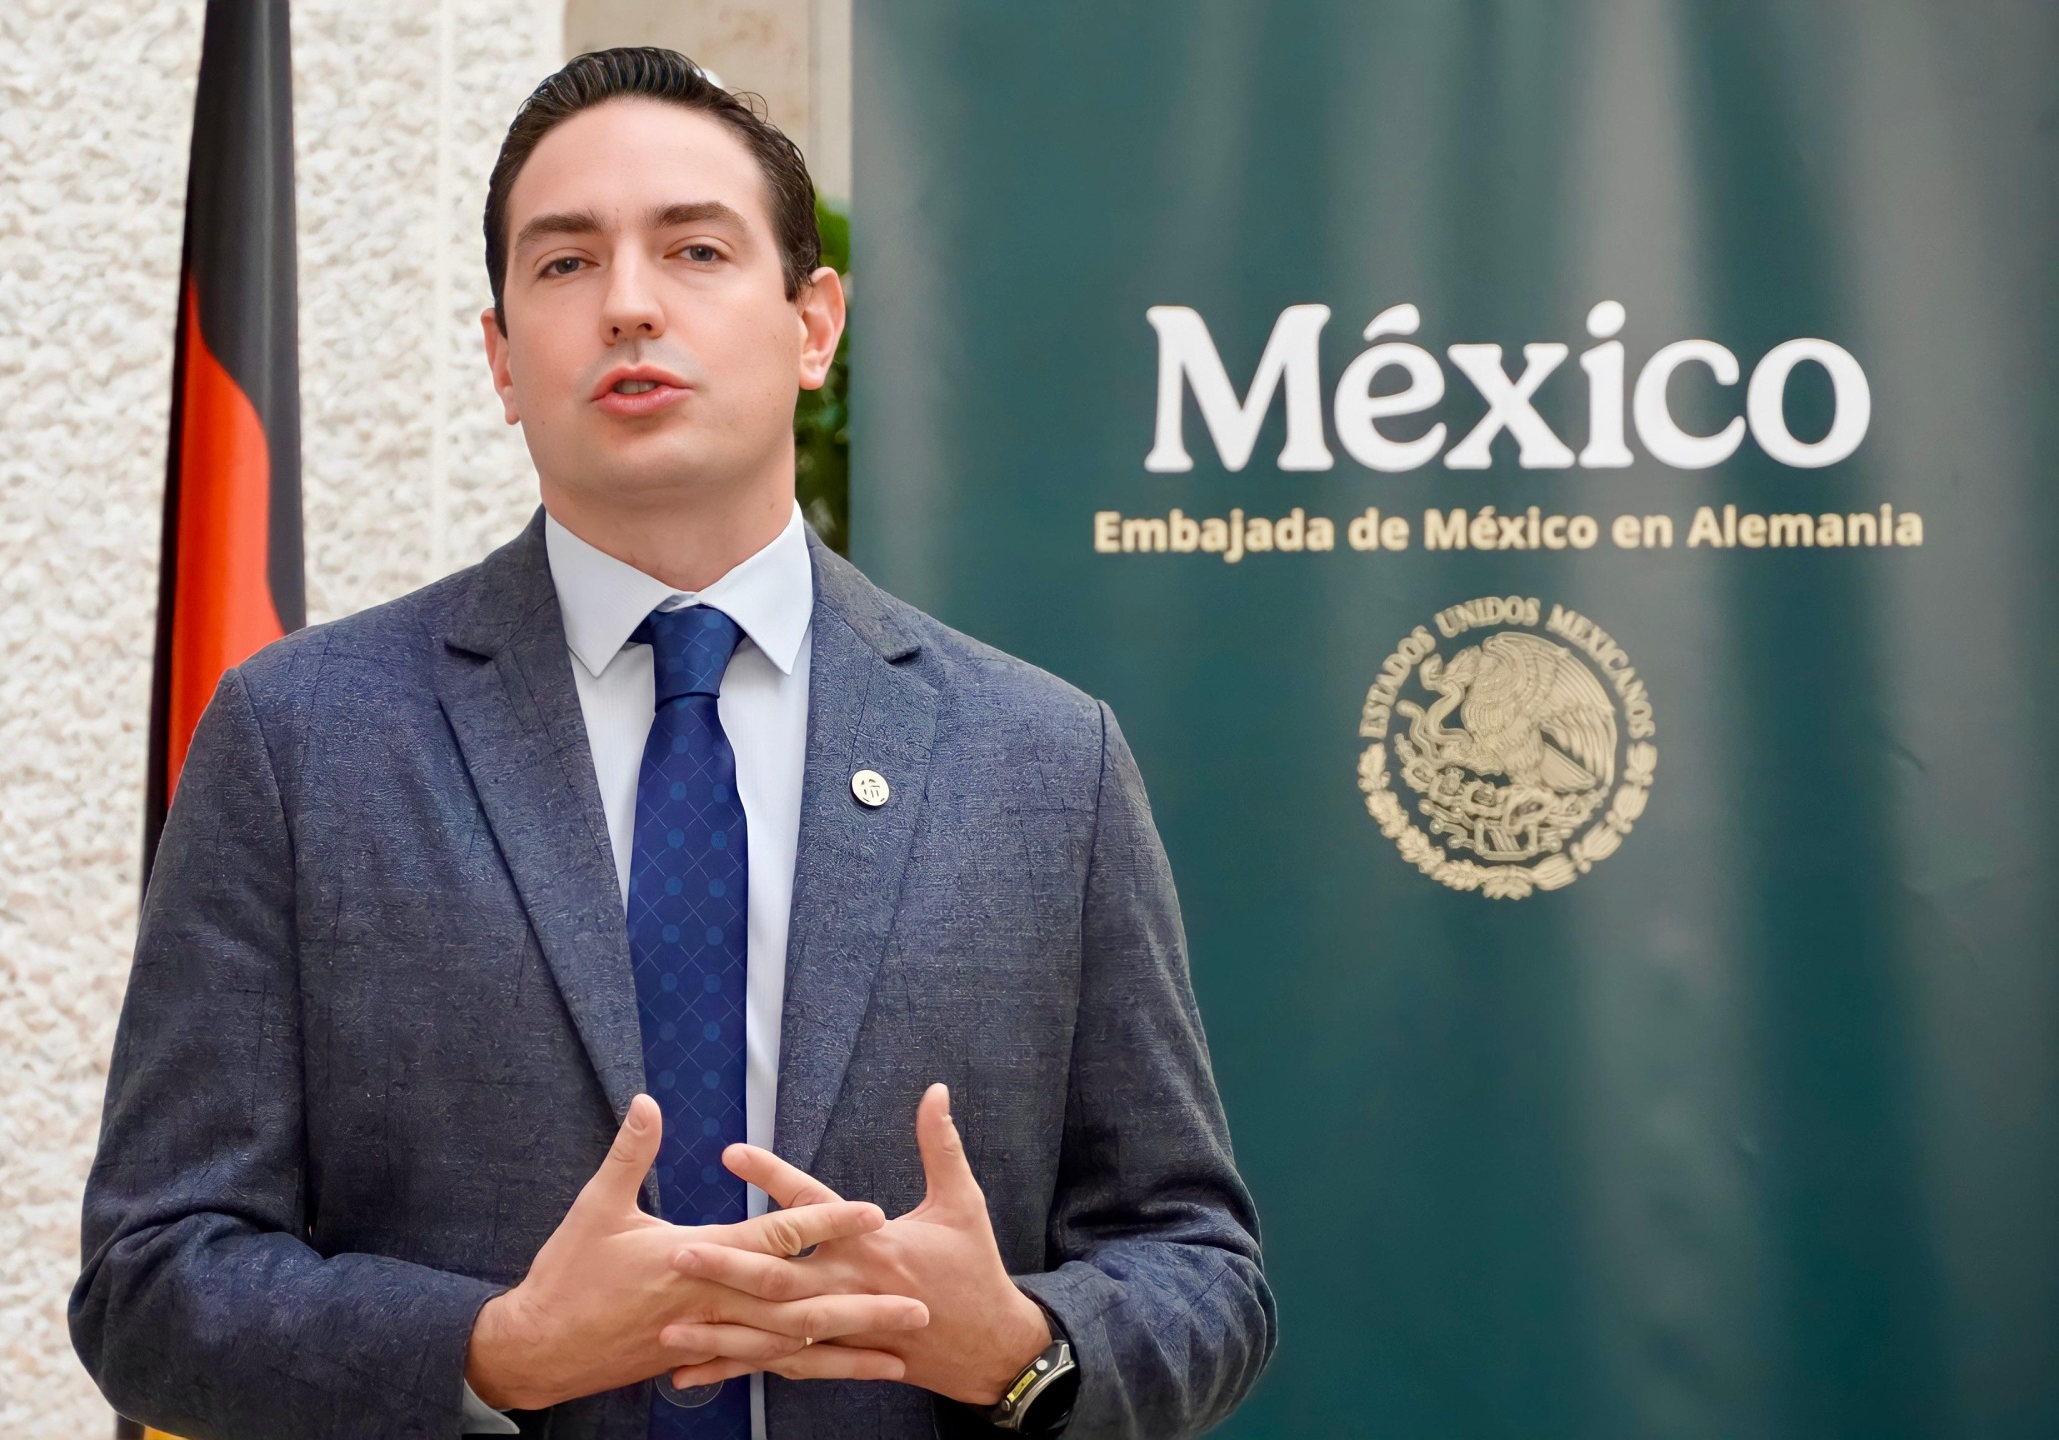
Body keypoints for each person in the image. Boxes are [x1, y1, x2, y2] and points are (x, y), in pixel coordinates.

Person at [72, 47, 1272, 1440]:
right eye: (566, 263)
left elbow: (1203, 1270)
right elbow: (150, 1281)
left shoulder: (1044, 763)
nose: (629, 305)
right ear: (502, 359)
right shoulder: (302, 740)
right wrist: (494, 1351)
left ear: (814, 325)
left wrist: (1022, 1346)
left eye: (696, 250)